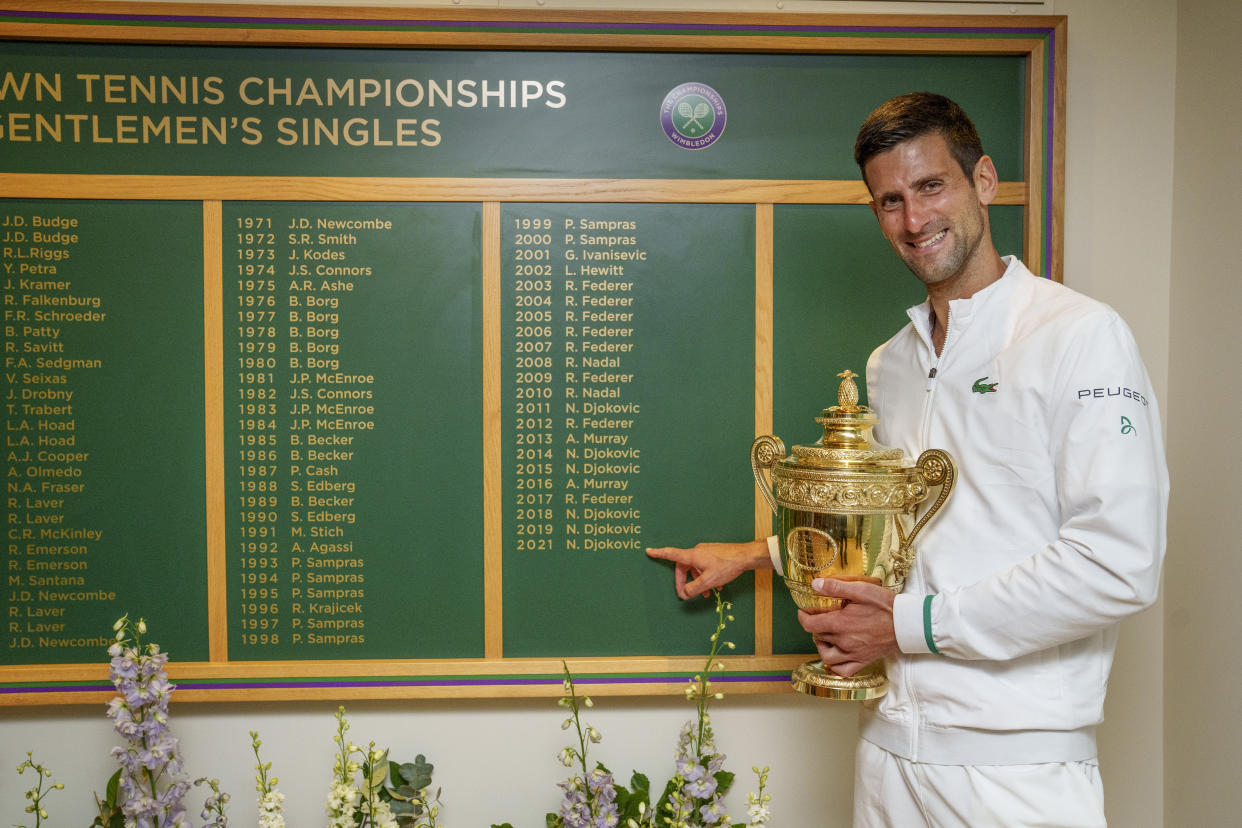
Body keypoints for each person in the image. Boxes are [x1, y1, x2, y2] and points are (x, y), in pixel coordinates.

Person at [646, 92, 1168, 827]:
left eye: (931, 187)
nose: (914, 220)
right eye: (890, 200)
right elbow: (911, 533)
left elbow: (1117, 564)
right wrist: (757, 553)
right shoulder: (889, 364)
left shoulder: (1080, 337)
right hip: (887, 756)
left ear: (982, 181)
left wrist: (907, 627)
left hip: (1015, 773)